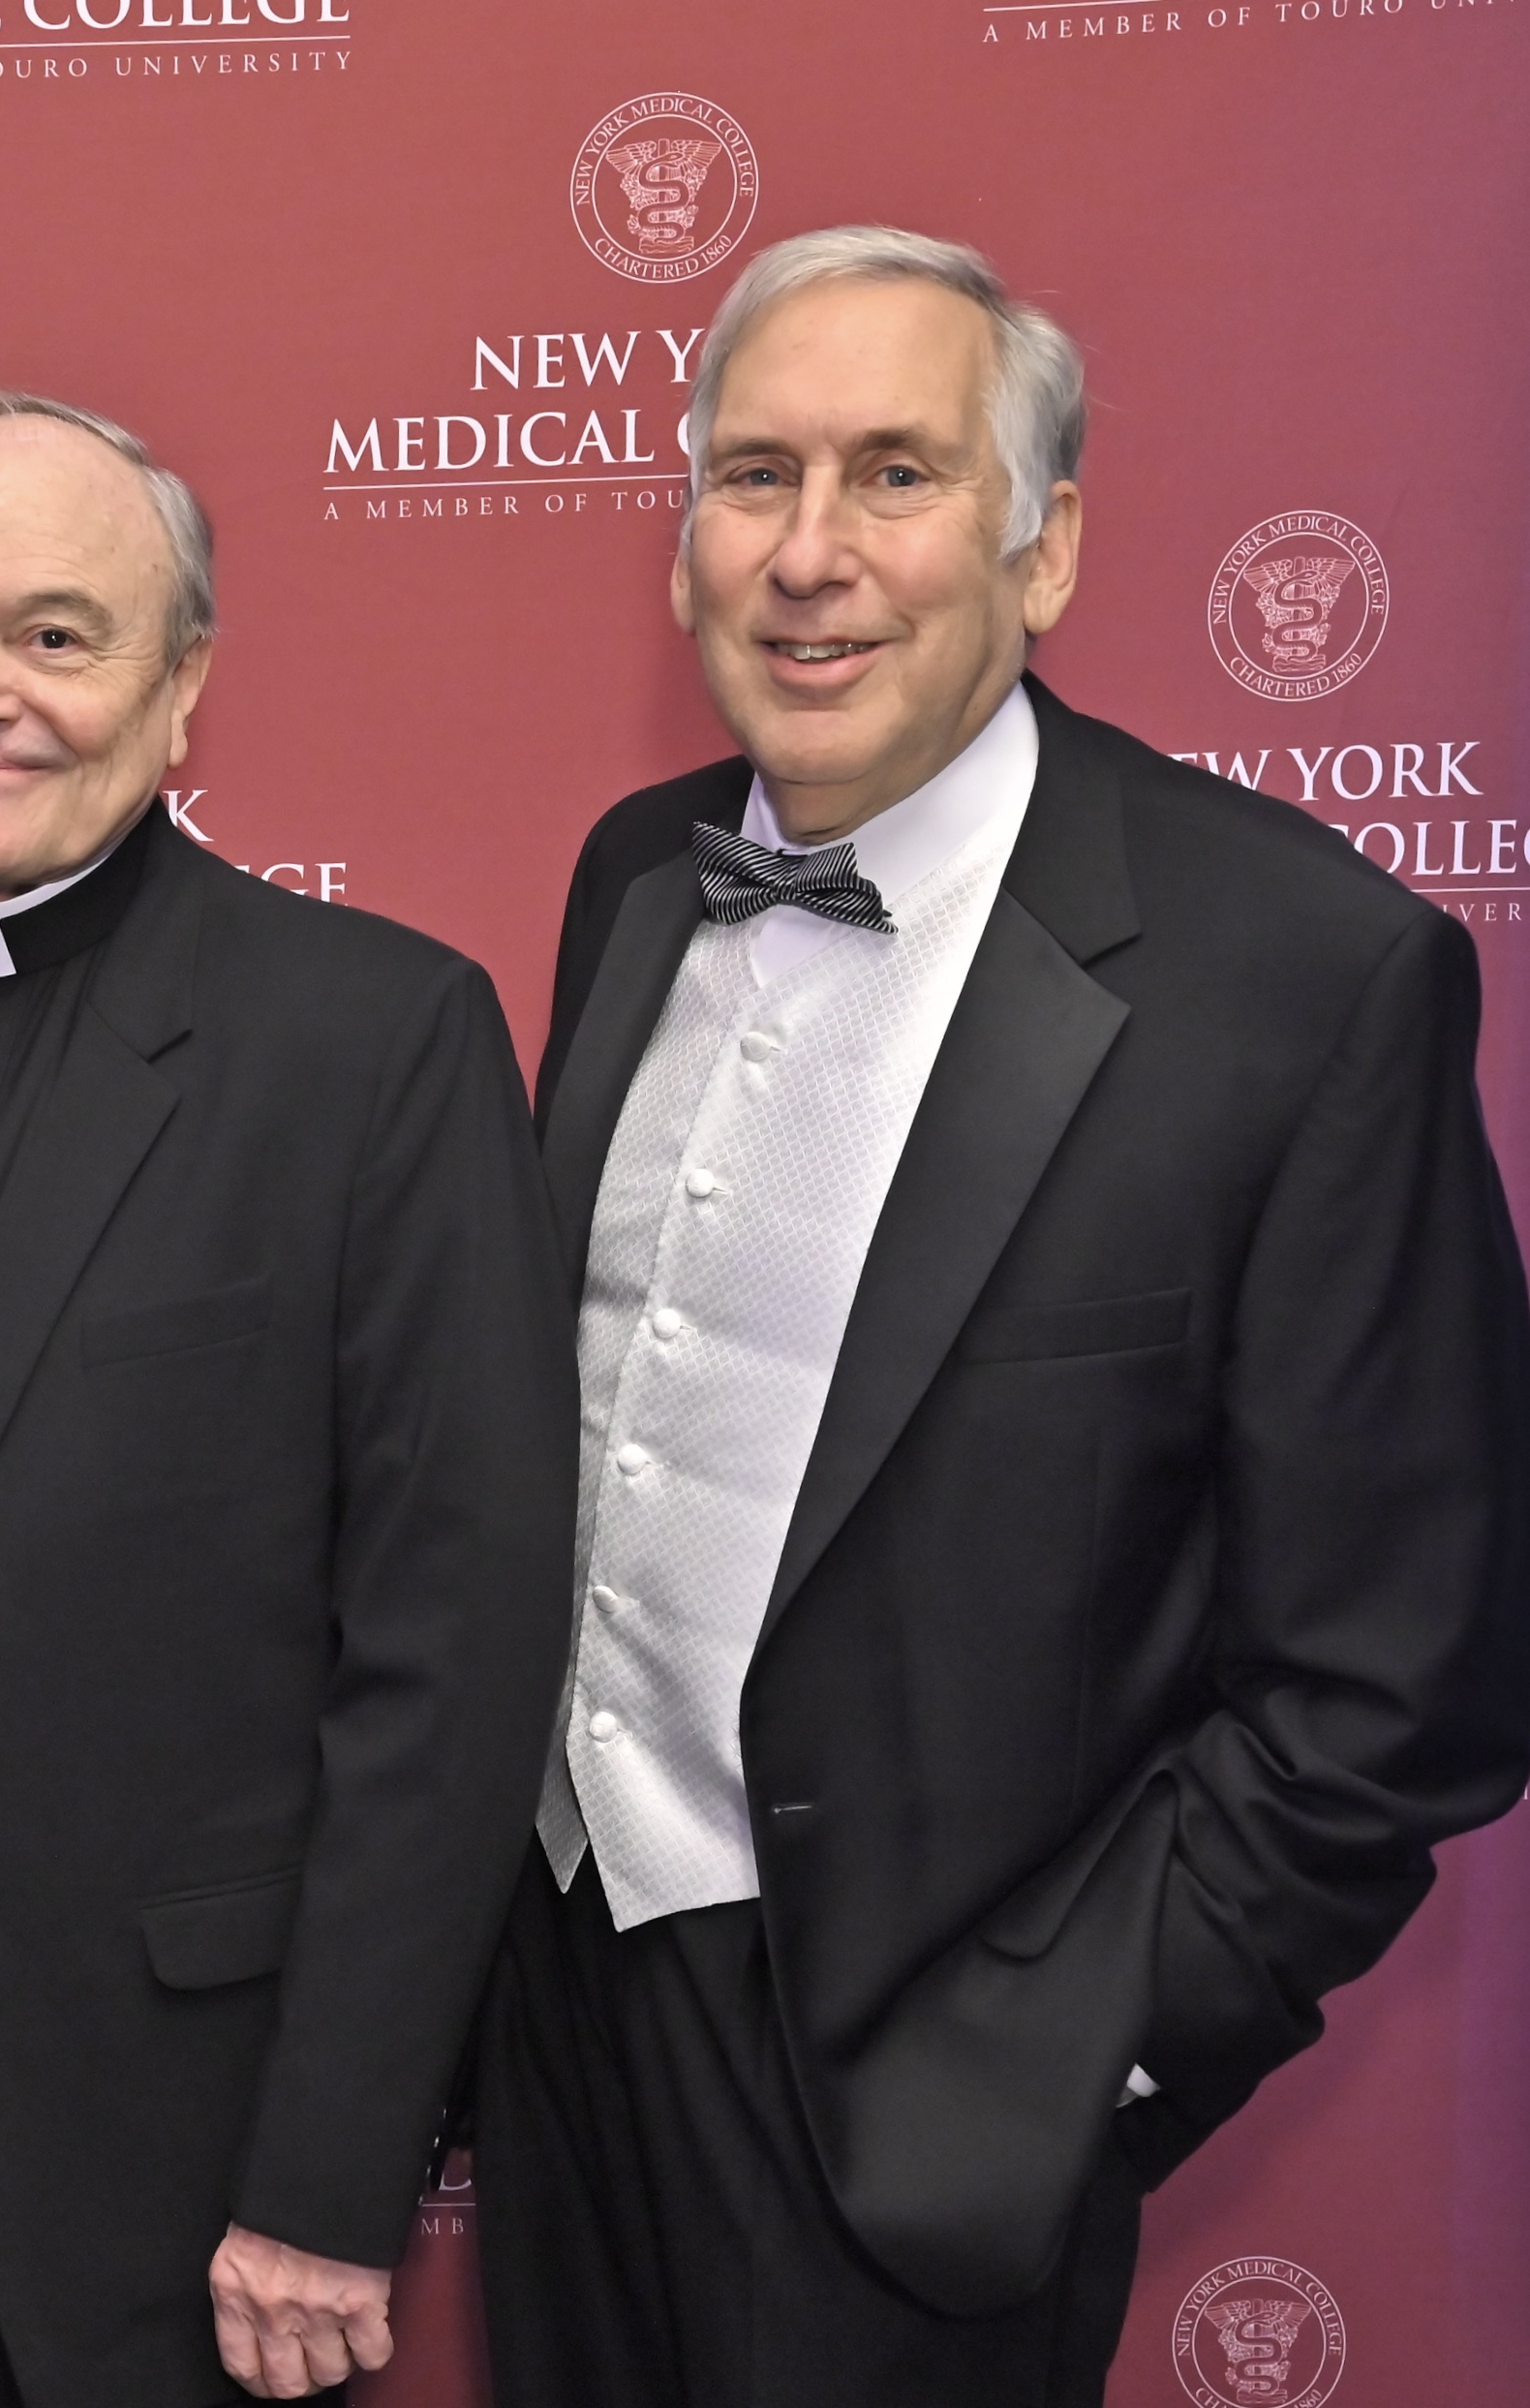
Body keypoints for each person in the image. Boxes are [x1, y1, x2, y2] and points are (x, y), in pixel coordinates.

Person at [478, 226, 1530, 2408]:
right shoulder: (627, 872)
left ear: (1043, 552)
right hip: (560, 2009)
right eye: (749, 477)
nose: (805, 554)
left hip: (916, 2098)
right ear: (678, 546)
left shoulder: (1301, 982)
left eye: (892, 476)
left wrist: (1075, 2058)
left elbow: (1400, 1684)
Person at [0, 391, 574, 2405]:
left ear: (181, 688)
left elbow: (452, 1650)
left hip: (168, 2132)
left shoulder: (368, 1041)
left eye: (53, 635)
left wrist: (331, 2168)